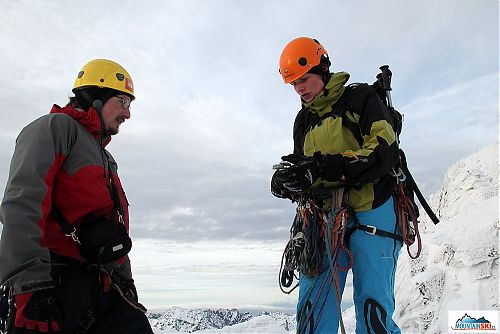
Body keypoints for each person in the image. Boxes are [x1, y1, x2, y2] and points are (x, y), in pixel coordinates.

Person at [0, 59, 153, 333]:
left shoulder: (106, 159)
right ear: (96, 96)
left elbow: (111, 226)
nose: (128, 114)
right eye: (123, 102)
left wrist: (126, 282)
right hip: (57, 281)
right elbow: (23, 204)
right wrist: (28, 284)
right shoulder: (55, 129)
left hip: (103, 283)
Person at [271, 37, 402, 333]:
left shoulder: (361, 100)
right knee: (313, 314)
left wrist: (323, 167)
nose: (300, 88)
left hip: (373, 209)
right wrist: (288, 182)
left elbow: (383, 151)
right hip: (323, 218)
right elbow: (305, 170)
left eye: (304, 79)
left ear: (323, 69)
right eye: (294, 84)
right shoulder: (303, 121)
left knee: (373, 311)